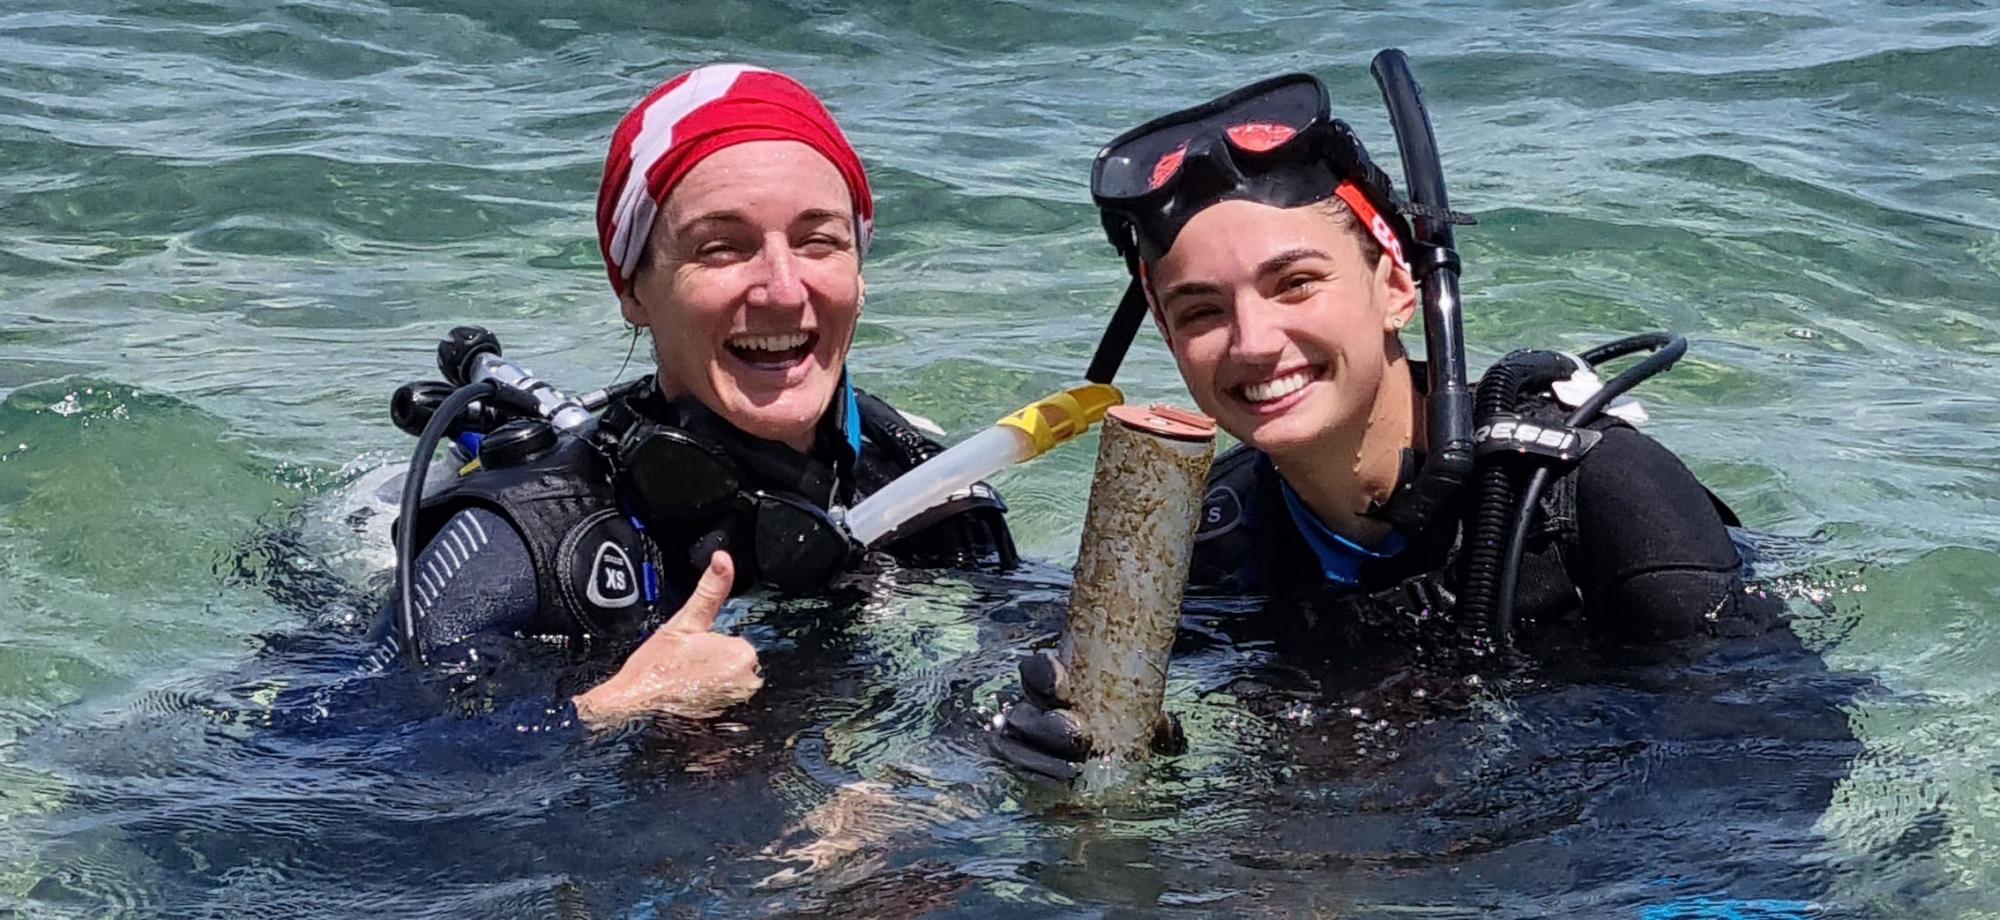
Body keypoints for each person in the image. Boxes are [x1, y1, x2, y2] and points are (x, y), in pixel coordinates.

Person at [992, 69, 1797, 780]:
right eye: (1201, 310)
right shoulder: (1211, 542)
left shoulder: (1595, 497)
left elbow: (1767, 775)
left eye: (1296, 283)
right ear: (1169, 341)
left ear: (1399, 285)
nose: (1254, 341)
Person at [377, 64, 1015, 726]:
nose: (784, 288)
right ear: (632, 289)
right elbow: (338, 770)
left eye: (818, 241)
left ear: (859, 272)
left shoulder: (919, 487)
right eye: (720, 249)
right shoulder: (523, 545)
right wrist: (614, 707)